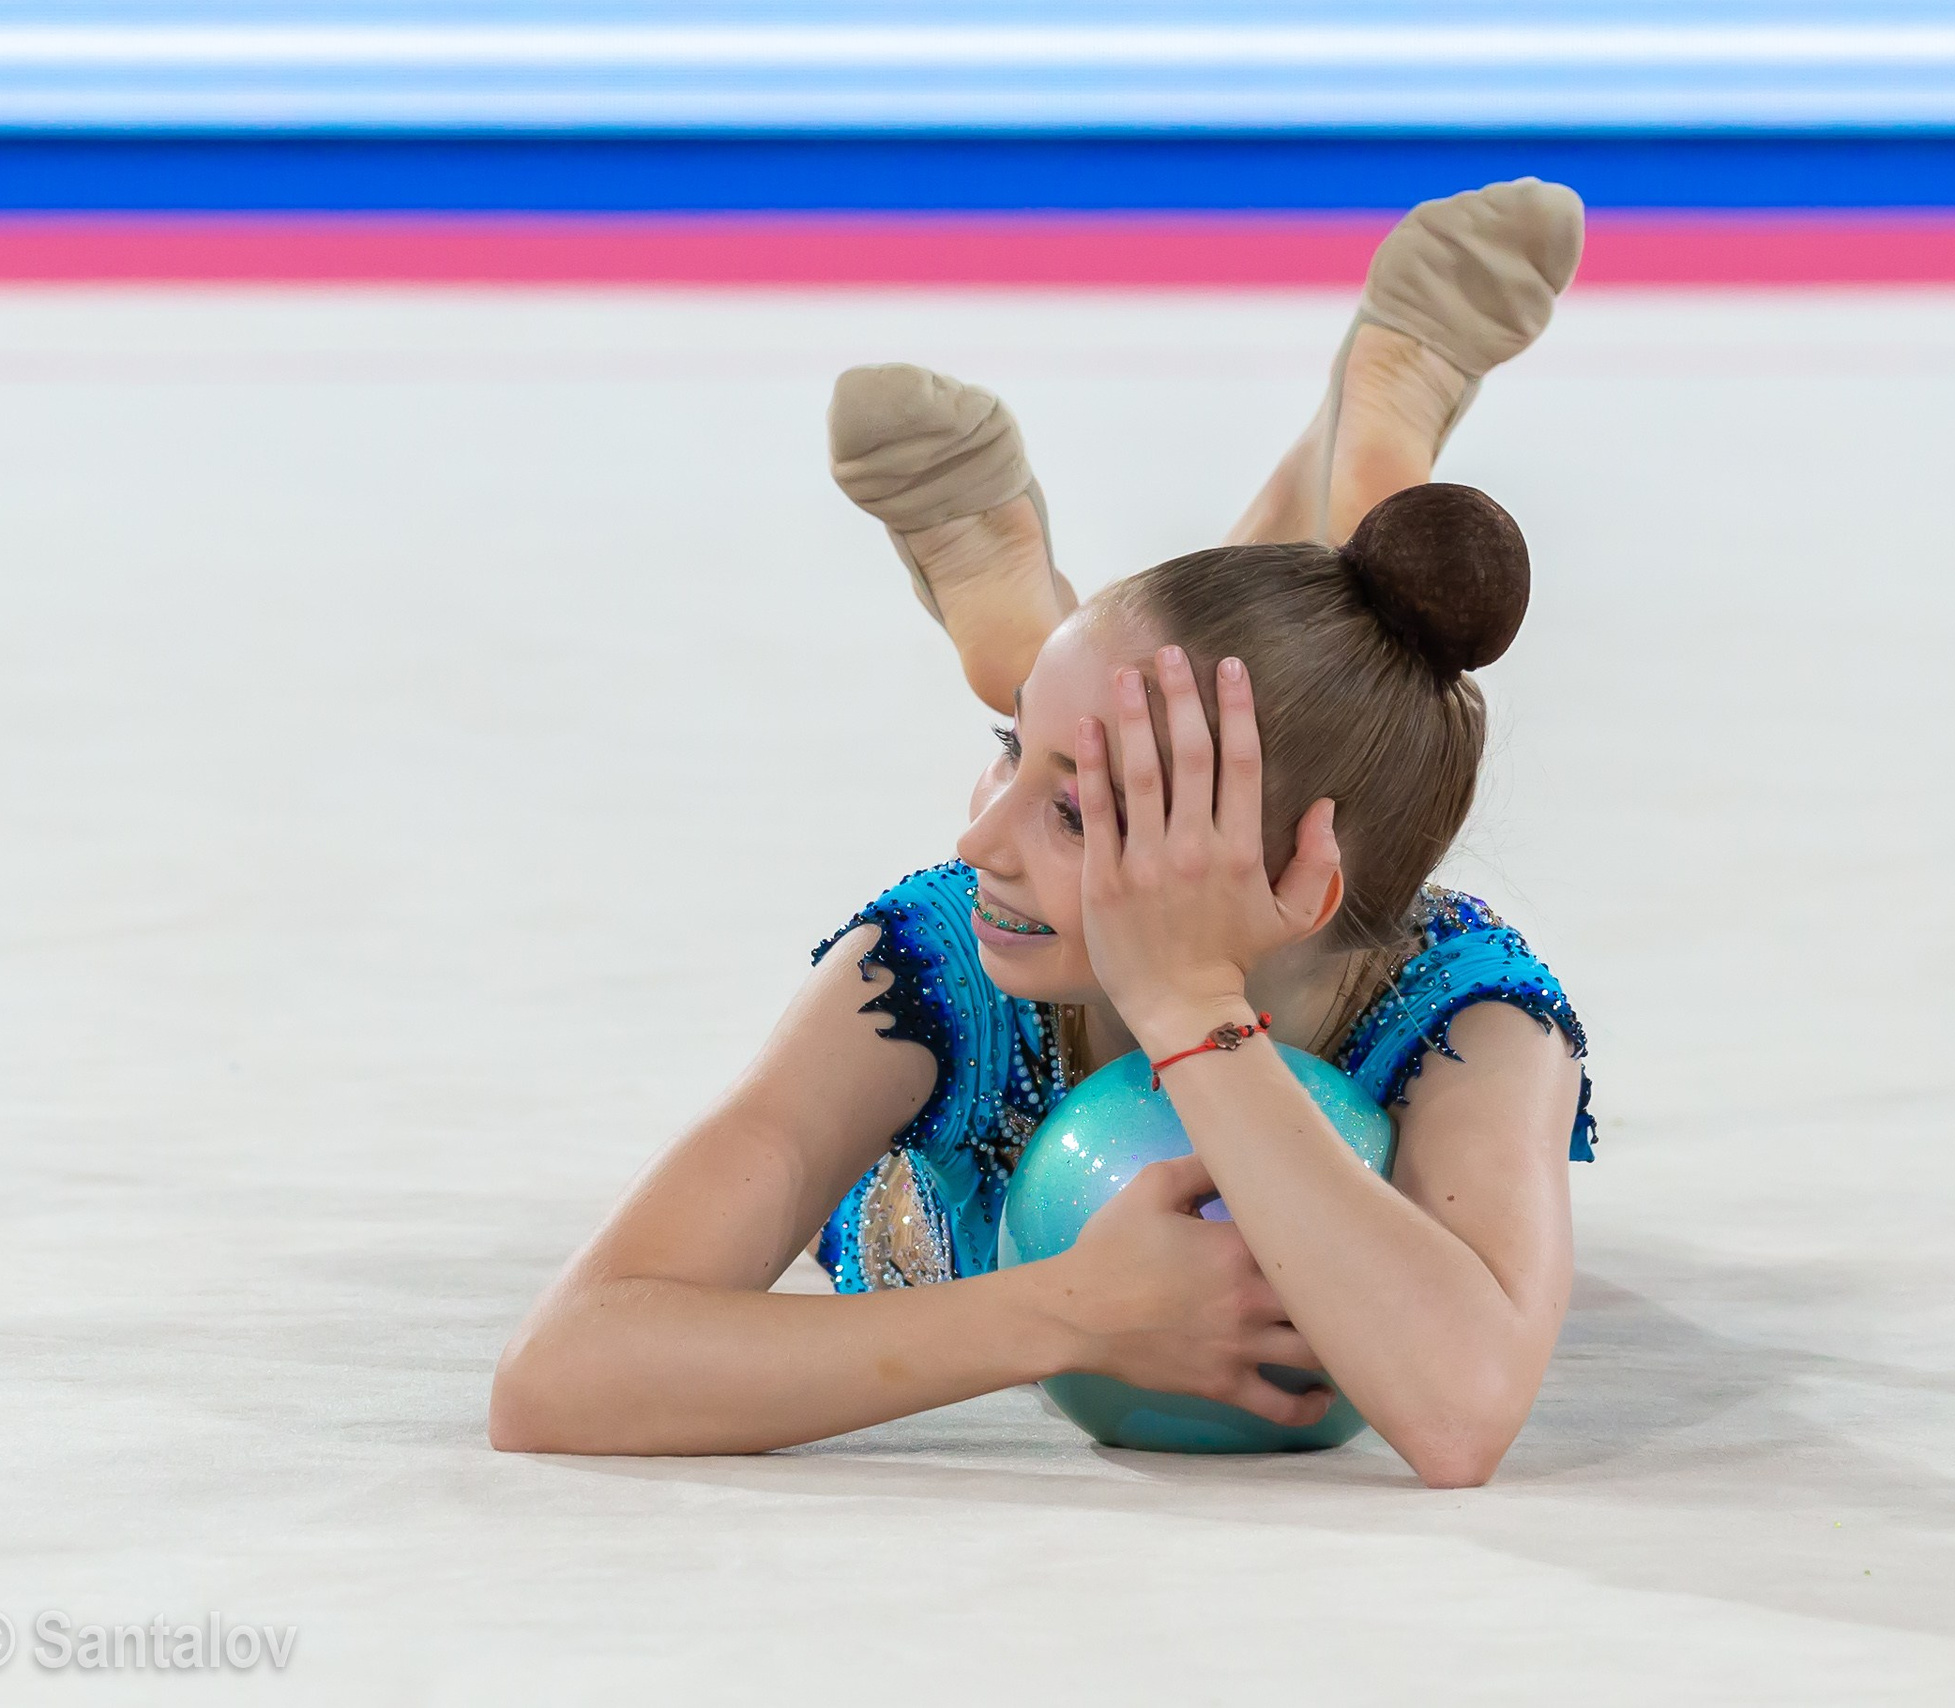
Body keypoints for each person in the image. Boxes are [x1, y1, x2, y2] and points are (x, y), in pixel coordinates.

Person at [489, 181, 1595, 1487]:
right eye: (1013, 752)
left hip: (1287, 897)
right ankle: (1220, 553)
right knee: (1205, 697)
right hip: (1227, 888)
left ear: (1302, 872)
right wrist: (1067, 1311)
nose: (977, 849)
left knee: (1224, 703)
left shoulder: (1465, 1019)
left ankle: (1067, 635)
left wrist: (1190, 1006)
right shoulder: (942, 970)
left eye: (1077, 804)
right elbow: (560, 1373)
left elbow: (1463, 1409)